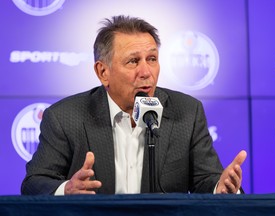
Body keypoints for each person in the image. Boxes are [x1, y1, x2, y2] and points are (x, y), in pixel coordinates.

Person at [21, 15, 247, 195]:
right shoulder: (65, 117)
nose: (146, 72)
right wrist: (66, 189)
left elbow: (206, 180)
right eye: (133, 61)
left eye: (152, 59)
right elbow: (34, 183)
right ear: (103, 72)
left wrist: (221, 188)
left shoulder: (187, 112)